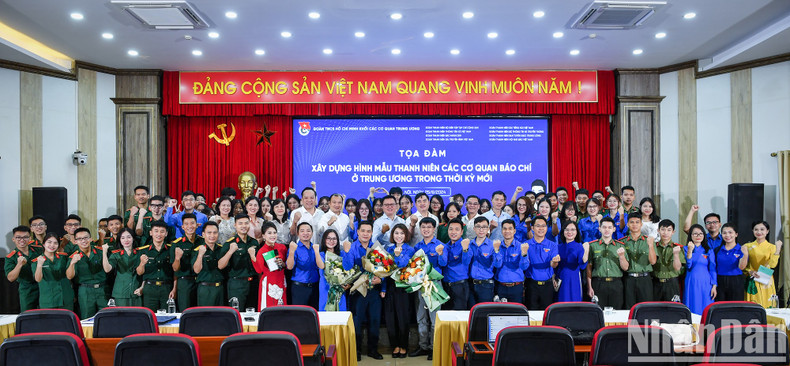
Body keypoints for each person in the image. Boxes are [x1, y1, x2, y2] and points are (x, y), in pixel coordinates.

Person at [341, 221, 385, 361]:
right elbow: (347, 268)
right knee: (357, 321)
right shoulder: (351, 247)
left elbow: (385, 268)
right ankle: (357, 350)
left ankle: (373, 350)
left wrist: (381, 281)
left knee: (375, 320)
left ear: (371, 233)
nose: (366, 233)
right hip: (357, 290)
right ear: (358, 232)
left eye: (368, 231)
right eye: (363, 231)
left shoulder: (376, 247)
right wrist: (347, 252)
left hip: (374, 290)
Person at [412, 218, 447, 359]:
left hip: (434, 285)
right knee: (421, 317)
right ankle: (423, 346)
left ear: (434, 229)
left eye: (429, 227)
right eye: (423, 227)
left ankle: (434, 347)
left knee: (434, 318)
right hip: (420, 285)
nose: (426, 229)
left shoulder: (440, 245)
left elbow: (443, 264)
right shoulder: (417, 246)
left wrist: (440, 254)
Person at [384, 224, 415, 358]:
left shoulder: (410, 249)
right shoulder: (388, 249)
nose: (399, 236)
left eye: (402, 233)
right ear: (392, 235)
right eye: (396, 233)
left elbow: (403, 264)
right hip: (390, 286)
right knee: (391, 318)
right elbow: (385, 270)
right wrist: (383, 288)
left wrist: (397, 255)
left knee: (403, 317)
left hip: (403, 286)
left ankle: (404, 345)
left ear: (406, 235)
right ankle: (394, 345)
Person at [586, 217, 629, 309]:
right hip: (598, 283)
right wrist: (589, 287)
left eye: (609, 227)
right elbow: (589, 267)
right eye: (604, 227)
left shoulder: (620, 245)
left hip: (616, 284)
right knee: (598, 311)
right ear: (599, 228)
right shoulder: (593, 245)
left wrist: (621, 256)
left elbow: (625, 268)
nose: (607, 230)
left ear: (614, 229)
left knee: (617, 312)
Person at [219, 214, 259, 310]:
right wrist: (230, 251)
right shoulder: (229, 243)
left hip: (253, 283)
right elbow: (220, 265)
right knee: (237, 313)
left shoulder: (254, 242)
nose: (243, 226)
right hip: (237, 284)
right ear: (235, 225)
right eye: (240, 223)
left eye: (246, 223)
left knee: (253, 313)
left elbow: (259, 264)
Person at [66, 227, 107, 319]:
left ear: (91, 239)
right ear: (75, 241)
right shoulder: (73, 256)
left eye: (86, 238)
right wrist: (72, 263)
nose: (83, 241)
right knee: (87, 318)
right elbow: (69, 276)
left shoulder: (101, 252)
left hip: (103, 289)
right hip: (85, 290)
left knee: (106, 317)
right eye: (79, 239)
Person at [136, 220, 175, 312]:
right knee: (150, 315)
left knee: (168, 316)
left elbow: (176, 271)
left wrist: (174, 289)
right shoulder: (143, 250)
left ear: (166, 234)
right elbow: (139, 272)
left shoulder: (171, 249)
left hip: (167, 288)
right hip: (150, 288)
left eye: (162, 231)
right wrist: (142, 263)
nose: (159, 234)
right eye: (156, 231)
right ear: (151, 233)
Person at [743, 221, 782, 308]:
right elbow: (743, 266)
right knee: (752, 307)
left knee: (767, 305)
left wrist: (778, 250)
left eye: (762, 229)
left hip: (766, 281)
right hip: (752, 279)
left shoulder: (772, 247)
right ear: (752, 231)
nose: (759, 232)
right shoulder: (747, 246)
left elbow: (773, 265)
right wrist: (750, 271)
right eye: (756, 229)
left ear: (767, 231)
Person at [170, 213, 203, 311]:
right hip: (185, 283)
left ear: (197, 225)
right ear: (183, 227)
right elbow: (175, 269)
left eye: (192, 223)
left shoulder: (203, 241)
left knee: (201, 311)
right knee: (185, 311)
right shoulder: (177, 244)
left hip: (201, 282)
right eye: (186, 224)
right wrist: (177, 258)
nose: (190, 226)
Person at [525, 216, 560, 310]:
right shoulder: (526, 245)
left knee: (546, 312)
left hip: (547, 285)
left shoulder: (552, 245)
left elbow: (554, 265)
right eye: (538, 226)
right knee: (531, 312)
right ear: (532, 228)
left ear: (547, 228)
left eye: (543, 226)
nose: (541, 228)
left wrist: (555, 262)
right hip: (531, 285)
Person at [101, 228, 143, 306]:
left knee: (137, 313)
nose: (126, 240)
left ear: (133, 238)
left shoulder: (140, 253)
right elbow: (107, 269)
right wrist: (104, 252)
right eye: (123, 238)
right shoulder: (116, 254)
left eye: (129, 237)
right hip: (121, 292)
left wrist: (142, 287)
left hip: (137, 291)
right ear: (119, 240)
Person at [622, 215, 656, 309]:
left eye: (637, 222)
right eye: (632, 222)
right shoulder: (623, 242)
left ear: (641, 224)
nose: (634, 225)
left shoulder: (649, 240)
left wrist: (650, 246)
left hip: (645, 279)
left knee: (647, 308)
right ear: (627, 224)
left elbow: (653, 262)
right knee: (629, 308)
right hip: (629, 279)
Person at [32, 233, 74, 311]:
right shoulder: (36, 261)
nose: (52, 245)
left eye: (55, 243)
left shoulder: (64, 257)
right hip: (48, 300)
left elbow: (70, 275)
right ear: (44, 244)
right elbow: (38, 279)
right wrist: (39, 265)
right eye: (49, 242)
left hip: (65, 298)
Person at [251, 222, 288, 309]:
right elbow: (259, 270)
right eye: (269, 233)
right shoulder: (262, 251)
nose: (273, 235)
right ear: (263, 236)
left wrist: (283, 264)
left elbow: (287, 265)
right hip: (269, 282)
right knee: (268, 307)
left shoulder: (282, 247)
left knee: (282, 307)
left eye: (274, 232)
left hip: (281, 280)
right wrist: (252, 257)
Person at [5, 225, 42, 312]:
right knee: (28, 315)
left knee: (46, 313)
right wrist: (19, 265)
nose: (22, 240)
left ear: (30, 238)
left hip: (43, 286)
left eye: (25, 237)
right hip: (27, 290)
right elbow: (10, 278)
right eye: (18, 237)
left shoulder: (39, 249)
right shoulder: (11, 257)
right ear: (13, 239)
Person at [493, 219, 529, 304]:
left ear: (514, 231)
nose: (507, 231)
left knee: (517, 311)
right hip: (501, 286)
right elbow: (497, 265)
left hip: (516, 287)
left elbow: (524, 267)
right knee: (501, 311)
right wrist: (497, 251)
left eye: (510, 228)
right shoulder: (497, 246)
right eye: (505, 229)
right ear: (501, 231)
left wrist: (524, 254)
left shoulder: (521, 246)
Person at [683, 224, 717, 315]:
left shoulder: (708, 250)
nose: (698, 236)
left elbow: (712, 269)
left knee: (706, 306)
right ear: (690, 236)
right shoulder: (685, 249)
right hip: (692, 281)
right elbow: (688, 266)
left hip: (706, 282)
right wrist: (690, 251)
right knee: (692, 305)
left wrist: (714, 286)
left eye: (701, 233)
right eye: (695, 234)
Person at [192, 221, 226, 306]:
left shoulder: (221, 249)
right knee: (205, 313)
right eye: (209, 233)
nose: (212, 235)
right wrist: (200, 255)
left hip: (220, 288)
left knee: (221, 313)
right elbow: (196, 270)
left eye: (215, 233)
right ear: (203, 234)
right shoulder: (197, 250)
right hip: (205, 289)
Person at [287, 222, 320, 309]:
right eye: (302, 231)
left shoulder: (315, 248)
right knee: (299, 314)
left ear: (312, 233)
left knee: (314, 314)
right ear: (298, 233)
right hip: (299, 288)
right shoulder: (294, 248)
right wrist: (291, 252)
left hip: (315, 287)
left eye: (308, 231)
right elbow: (289, 267)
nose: (305, 233)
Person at [441, 218, 472, 310]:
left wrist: (465, 249)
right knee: (446, 314)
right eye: (451, 229)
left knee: (459, 314)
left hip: (460, 286)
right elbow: (443, 264)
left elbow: (466, 262)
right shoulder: (445, 246)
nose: (453, 232)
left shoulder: (466, 245)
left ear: (462, 232)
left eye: (457, 229)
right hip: (446, 285)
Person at [652, 219, 685, 302]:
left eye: (669, 230)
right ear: (658, 230)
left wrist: (676, 254)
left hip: (672, 283)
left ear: (673, 232)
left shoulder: (678, 247)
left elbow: (678, 268)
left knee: (673, 308)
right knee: (655, 307)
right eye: (663, 229)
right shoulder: (653, 246)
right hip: (656, 283)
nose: (665, 233)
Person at [314, 229, 348, 311]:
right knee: (326, 311)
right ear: (324, 240)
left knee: (340, 311)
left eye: (334, 238)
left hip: (340, 288)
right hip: (326, 287)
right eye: (328, 238)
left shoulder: (342, 253)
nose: (331, 241)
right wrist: (316, 252)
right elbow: (321, 266)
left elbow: (348, 268)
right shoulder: (321, 254)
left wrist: (347, 251)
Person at [555, 221, 589, 302]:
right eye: (567, 230)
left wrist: (586, 250)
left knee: (574, 300)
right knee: (561, 301)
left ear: (577, 232)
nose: (569, 232)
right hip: (560, 278)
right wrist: (554, 278)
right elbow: (555, 266)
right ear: (563, 231)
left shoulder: (579, 247)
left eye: (572, 230)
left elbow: (582, 265)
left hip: (574, 277)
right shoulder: (558, 247)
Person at [715, 223, 748, 302]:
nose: (727, 235)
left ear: (736, 234)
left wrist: (745, 254)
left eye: (730, 232)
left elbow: (742, 267)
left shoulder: (741, 249)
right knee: (720, 306)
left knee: (735, 306)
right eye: (724, 233)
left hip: (736, 280)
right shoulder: (717, 250)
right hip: (720, 280)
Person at [468, 216, 497, 305]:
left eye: (484, 227)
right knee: (471, 310)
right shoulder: (469, 244)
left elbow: (497, 264)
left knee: (485, 311)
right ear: (474, 228)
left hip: (486, 284)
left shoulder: (492, 245)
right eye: (478, 227)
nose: (481, 230)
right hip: (471, 283)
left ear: (488, 229)